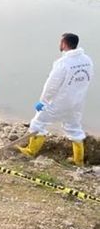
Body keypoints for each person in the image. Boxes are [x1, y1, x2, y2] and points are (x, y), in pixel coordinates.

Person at [19, 33, 94, 166]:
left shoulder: (63, 63)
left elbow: (51, 85)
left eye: (61, 42)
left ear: (64, 43)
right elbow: (87, 80)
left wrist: (43, 101)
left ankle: (31, 151)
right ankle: (78, 161)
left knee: (38, 122)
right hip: (77, 103)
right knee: (75, 128)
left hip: (60, 103)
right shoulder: (87, 60)